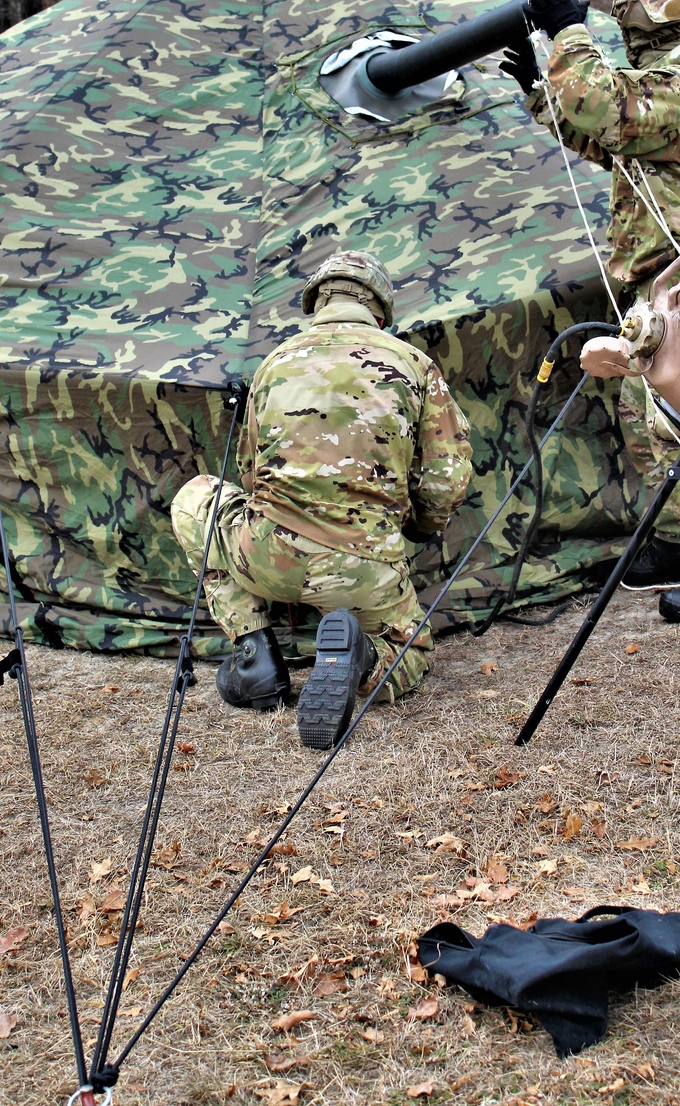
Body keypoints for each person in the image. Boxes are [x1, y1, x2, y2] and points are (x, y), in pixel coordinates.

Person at [501, 0, 680, 622]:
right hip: (666, 280)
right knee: (636, 408)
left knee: (679, 419)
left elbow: (609, 110)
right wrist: (543, 94)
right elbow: (609, 142)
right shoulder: (664, 87)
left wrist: (568, 30)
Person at [170, 251, 473, 750]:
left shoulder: (274, 362)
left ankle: (255, 655)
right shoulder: (412, 364)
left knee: (195, 499)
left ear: (317, 304)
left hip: (267, 555)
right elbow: (446, 476)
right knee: (410, 654)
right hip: (364, 568)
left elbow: (250, 474)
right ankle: (363, 658)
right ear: (380, 312)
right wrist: (414, 529)